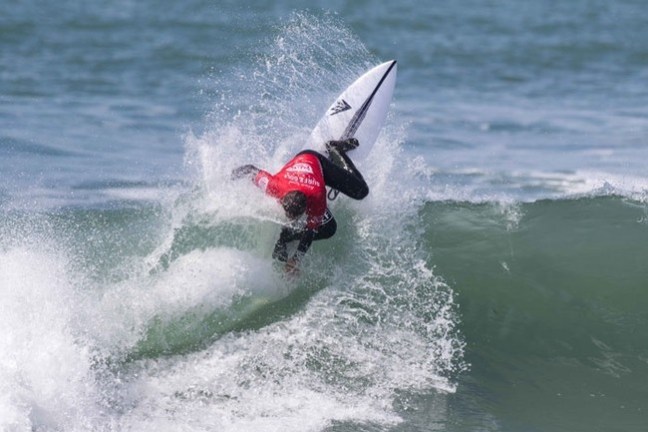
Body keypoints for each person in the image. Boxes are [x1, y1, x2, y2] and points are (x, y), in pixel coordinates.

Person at [231, 138, 368, 273]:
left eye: (296, 216)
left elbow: (310, 231)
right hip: (301, 159)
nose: (291, 219)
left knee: (358, 195)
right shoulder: (274, 186)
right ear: (283, 199)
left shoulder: (317, 196)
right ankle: (285, 237)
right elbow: (249, 169)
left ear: (307, 207)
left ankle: (334, 148)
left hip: (315, 160)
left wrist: (296, 259)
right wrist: (230, 177)